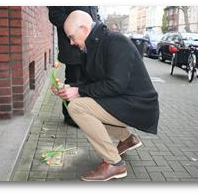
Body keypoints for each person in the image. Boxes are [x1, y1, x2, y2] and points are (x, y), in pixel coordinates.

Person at [53, 10, 159, 181]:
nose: (71, 43)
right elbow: (92, 84)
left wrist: (78, 92)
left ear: (84, 29)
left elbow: (115, 84)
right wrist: (70, 88)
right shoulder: (93, 46)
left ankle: (114, 164)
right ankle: (127, 138)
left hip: (138, 107)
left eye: (72, 37)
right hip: (123, 101)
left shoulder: (115, 42)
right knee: (82, 101)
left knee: (77, 108)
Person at [48, 6, 99, 127]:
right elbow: (54, 15)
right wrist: (76, 23)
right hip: (72, 49)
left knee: (88, 82)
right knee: (73, 81)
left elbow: (95, 17)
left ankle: (84, 113)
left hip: (89, 48)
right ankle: (70, 116)